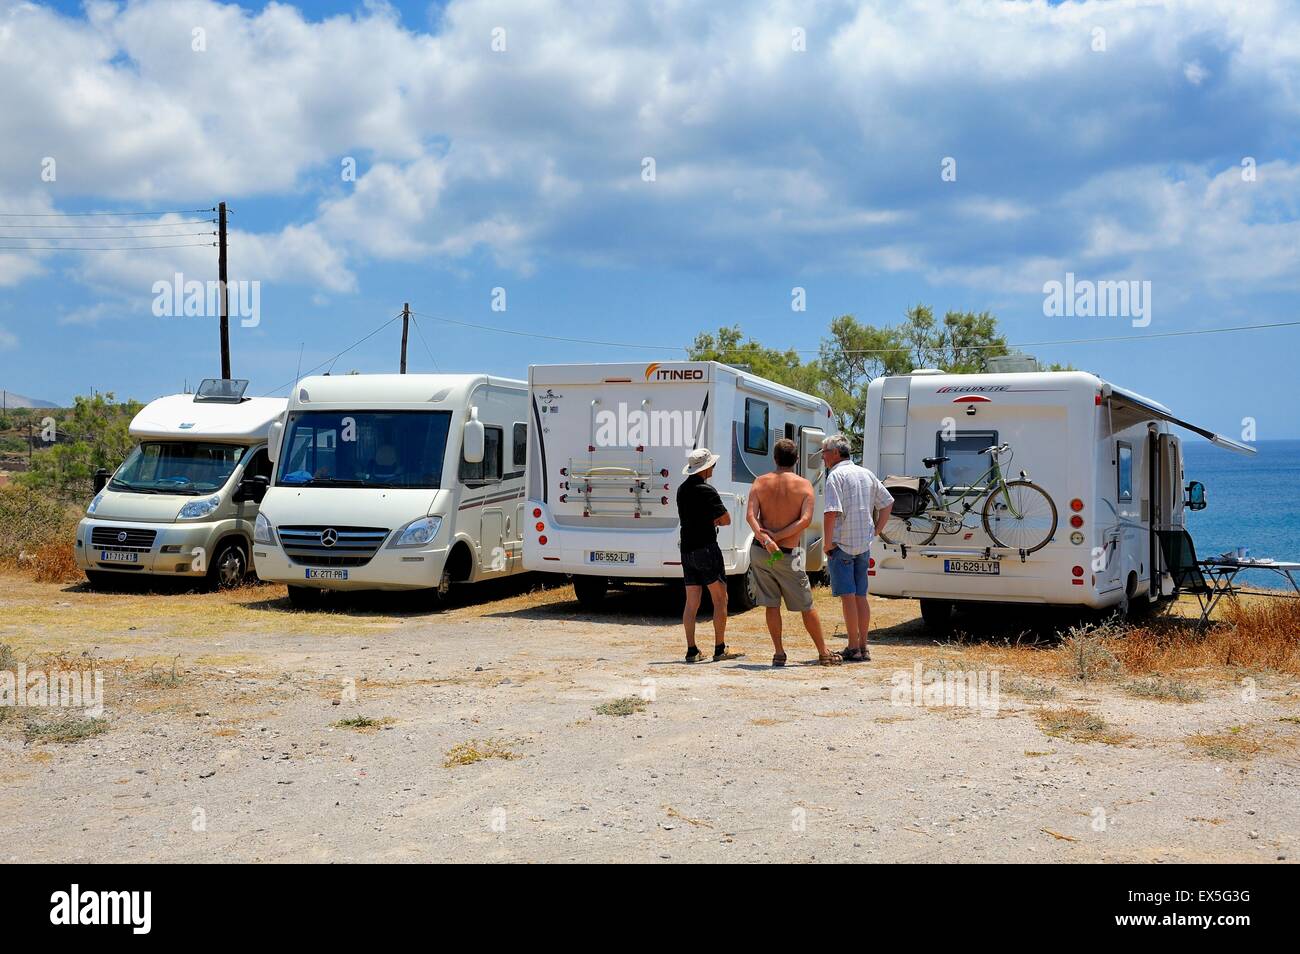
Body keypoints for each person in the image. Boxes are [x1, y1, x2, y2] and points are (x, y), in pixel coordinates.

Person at [746, 438, 840, 667]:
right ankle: (823, 651)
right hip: (789, 553)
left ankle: (779, 652)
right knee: (806, 604)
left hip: (762, 551)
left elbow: (750, 516)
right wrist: (778, 538)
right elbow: (805, 520)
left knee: (771, 604)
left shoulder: (760, 482)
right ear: (797, 460)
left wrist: (766, 538)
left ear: (775, 458)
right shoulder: (803, 485)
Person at [821, 434, 893, 662]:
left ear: (834, 453)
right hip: (863, 544)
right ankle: (864, 646)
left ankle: (852, 646)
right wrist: (878, 530)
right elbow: (888, 502)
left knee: (848, 597)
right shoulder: (866, 473)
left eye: (824, 452)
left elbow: (831, 512)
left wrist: (827, 542)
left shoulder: (836, 476)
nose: (822, 457)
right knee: (861, 596)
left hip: (842, 544)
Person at [676, 447, 731, 662]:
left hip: (687, 549)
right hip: (707, 547)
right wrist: (714, 520)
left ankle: (692, 650)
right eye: (712, 465)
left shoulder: (682, 489)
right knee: (720, 599)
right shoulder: (707, 491)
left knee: (691, 603)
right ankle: (719, 648)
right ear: (706, 468)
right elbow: (726, 519)